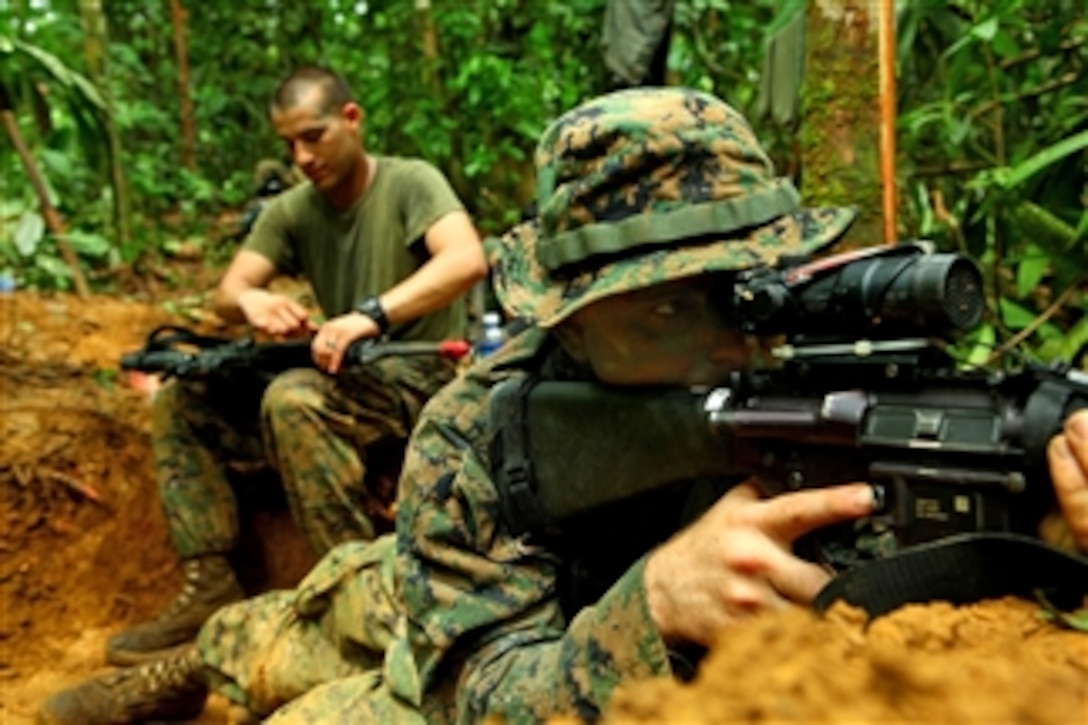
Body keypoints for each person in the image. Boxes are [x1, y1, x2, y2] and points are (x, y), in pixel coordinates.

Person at [41, 87, 1088, 724]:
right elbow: (470, 694)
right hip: (453, 619)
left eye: (749, 286)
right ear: (571, 322)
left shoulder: (846, 370)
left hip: (519, 605)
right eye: (671, 309)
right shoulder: (481, 424)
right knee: (290, 648)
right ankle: (191, 662)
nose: (732, 336)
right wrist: (654, 607)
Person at [102, 65, 488, 667]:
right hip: (345, 379)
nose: (303, 156)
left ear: (352, 120)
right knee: (184, 397)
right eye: (289, 145)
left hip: (420, 381)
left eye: (315, 136)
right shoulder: (293, 209)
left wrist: (370, 315)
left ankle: (360, 590)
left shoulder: (411, 183)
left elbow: (466, 259)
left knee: (293, 399)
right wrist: (252, 300)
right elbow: (228, 294)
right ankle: (210, 580)